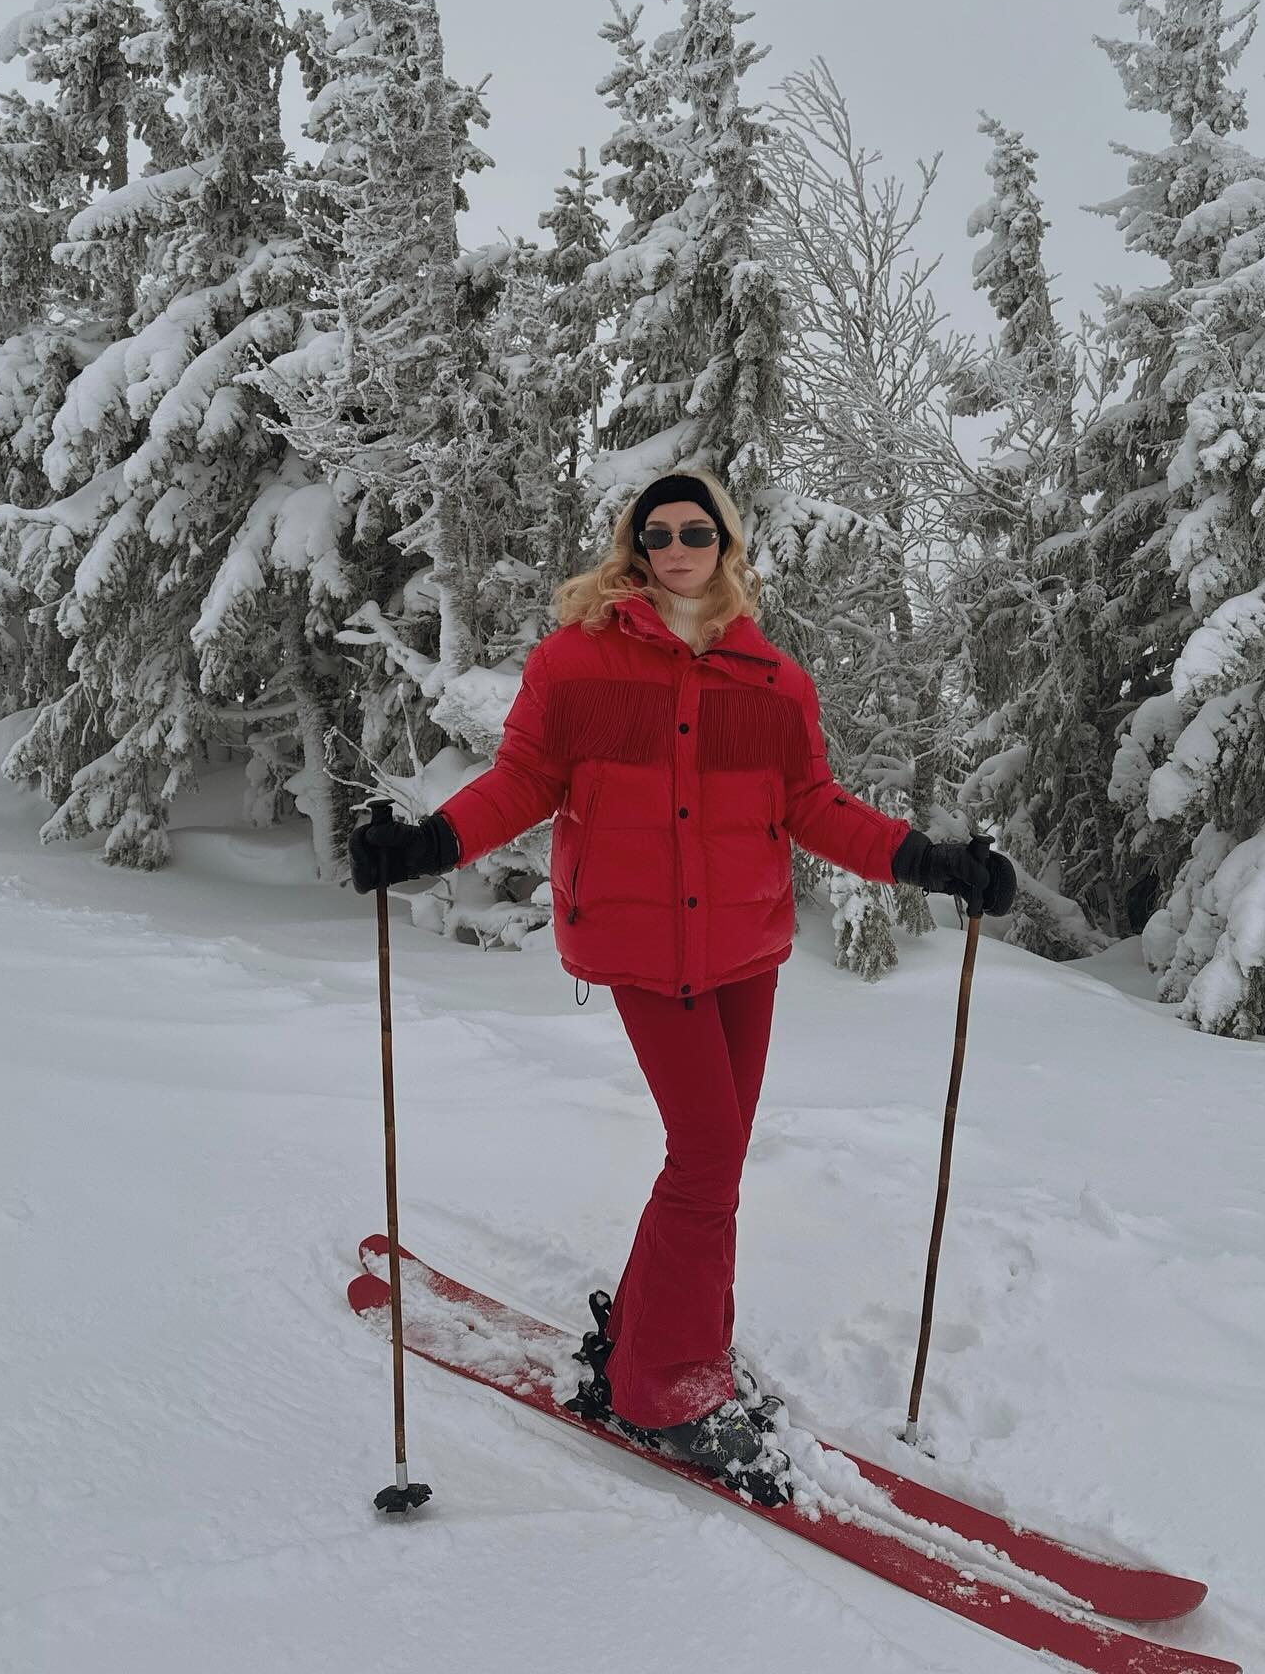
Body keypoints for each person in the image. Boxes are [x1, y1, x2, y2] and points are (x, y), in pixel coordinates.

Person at [349, 471, 1015, 1505]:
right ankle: (665, 1388)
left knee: (717, 1160)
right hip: (640, 943)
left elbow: (814, 803)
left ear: (725, 544)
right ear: (633, 546)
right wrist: (432, 843)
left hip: (744, 947)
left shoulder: (772, 681)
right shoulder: (577, 663)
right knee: (705, 1153)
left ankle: (664, 1342)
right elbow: (525, 780)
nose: (674, 548)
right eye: (654, 533)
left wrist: (928, 862)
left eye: (694, 531)